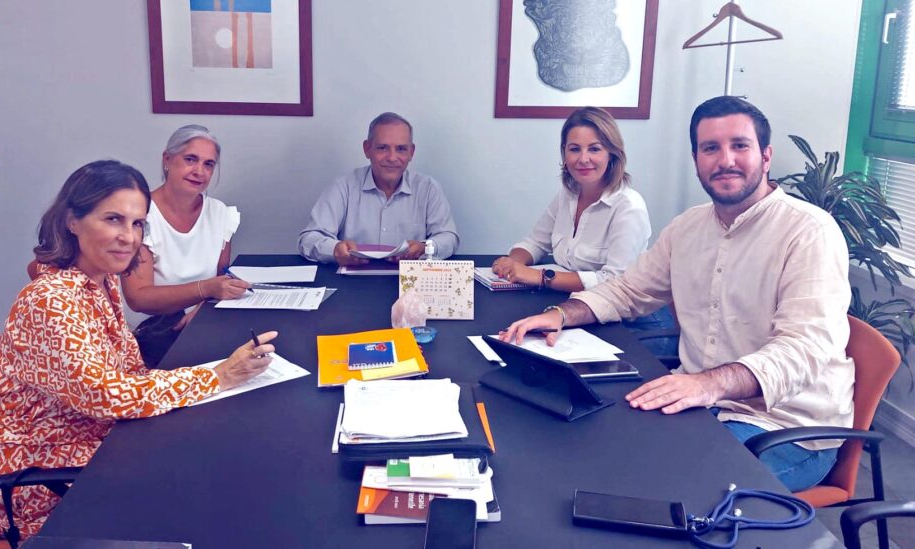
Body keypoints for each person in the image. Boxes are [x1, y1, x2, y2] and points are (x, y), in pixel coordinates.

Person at [501, 96, 854, 492]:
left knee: (672, 490)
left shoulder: (809, 231)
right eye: (711, 148)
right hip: (700, 404)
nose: (725, 160)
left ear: (766, 156)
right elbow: (628, 289)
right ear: (696, 159)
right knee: (589, 447)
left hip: (783, 426)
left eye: (740, 145)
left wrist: (707, 384)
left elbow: (803, 349)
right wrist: (562, 314)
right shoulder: (688, 228)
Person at [0, 160, 277, 540]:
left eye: (137, 224)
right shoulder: (50, 300)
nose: (129, 237)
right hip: (45, 486)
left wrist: (207, 381)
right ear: (72, 221)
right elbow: (105, 395)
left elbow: (129, 374)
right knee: (218, 493)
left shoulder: (100, 282)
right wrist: (217, 376)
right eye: (113, 219)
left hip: (98, 448)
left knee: (221, 456)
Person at [121, 125, 247, 367]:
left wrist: (202, 309)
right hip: (154, 334)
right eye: (190, 159)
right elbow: (139, 298)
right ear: (167, 160)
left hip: (205, 321)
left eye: (209, 164)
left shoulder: (220, 213)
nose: (199, 171)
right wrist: (207, 289)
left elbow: (222, 277)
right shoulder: (140, 214)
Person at [491, 107, 650, 292]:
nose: (583, 159)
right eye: (574, 149)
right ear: (564, 154)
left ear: (612, 154)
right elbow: (535, 242)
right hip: (565, 298)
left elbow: (616, 281)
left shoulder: (629, 207)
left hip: (615, 307)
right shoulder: (567, 195)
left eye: (594, 149)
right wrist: (513, 263)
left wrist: (540, 277)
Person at [297, 112, 460, 266]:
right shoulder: (343, 187)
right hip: (353, 279)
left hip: (409, 281)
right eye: (382, 148)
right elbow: (309, 238)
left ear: (411, 152)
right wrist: (334, 250)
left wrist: (425, 248)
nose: (392, 158)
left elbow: (449, 238)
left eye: (401, 149)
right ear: (367, 149)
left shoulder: (428, 188)